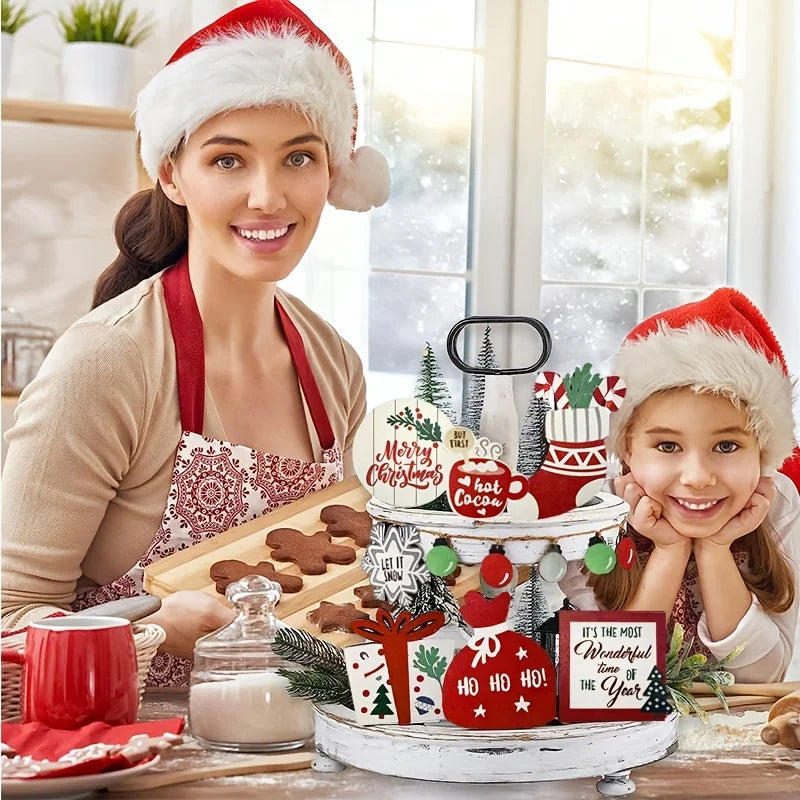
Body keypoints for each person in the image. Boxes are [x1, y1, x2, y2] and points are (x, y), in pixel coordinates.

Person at [1, 0, 390, 686]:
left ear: (332, 175)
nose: (267, 196)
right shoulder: (110, 361)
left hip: (299, 762)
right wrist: (151, 632)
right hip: (132, 771)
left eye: (298, 157)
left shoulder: (333, 362)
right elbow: (10, 621)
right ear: (173, 175)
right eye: (228, 159)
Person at [559, 288, 800, 682]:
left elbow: (761, 676)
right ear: (627, 451)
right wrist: (669, 551)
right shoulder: (592, 515)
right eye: (668, 445)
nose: (698, 477)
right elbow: (619, 679)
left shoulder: (778, 504)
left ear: (762, 453)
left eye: (726, 445)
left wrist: (715, 548)